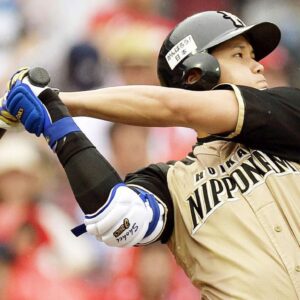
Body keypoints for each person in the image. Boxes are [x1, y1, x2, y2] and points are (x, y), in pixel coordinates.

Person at [1, 10, 300, 299]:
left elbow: (177, 107)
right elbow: (116, 219)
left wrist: (56, 102)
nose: (259, 66)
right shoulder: (171, 180)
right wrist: (59, 128)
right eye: (239, 55)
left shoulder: (288, 111)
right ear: (196, 75)